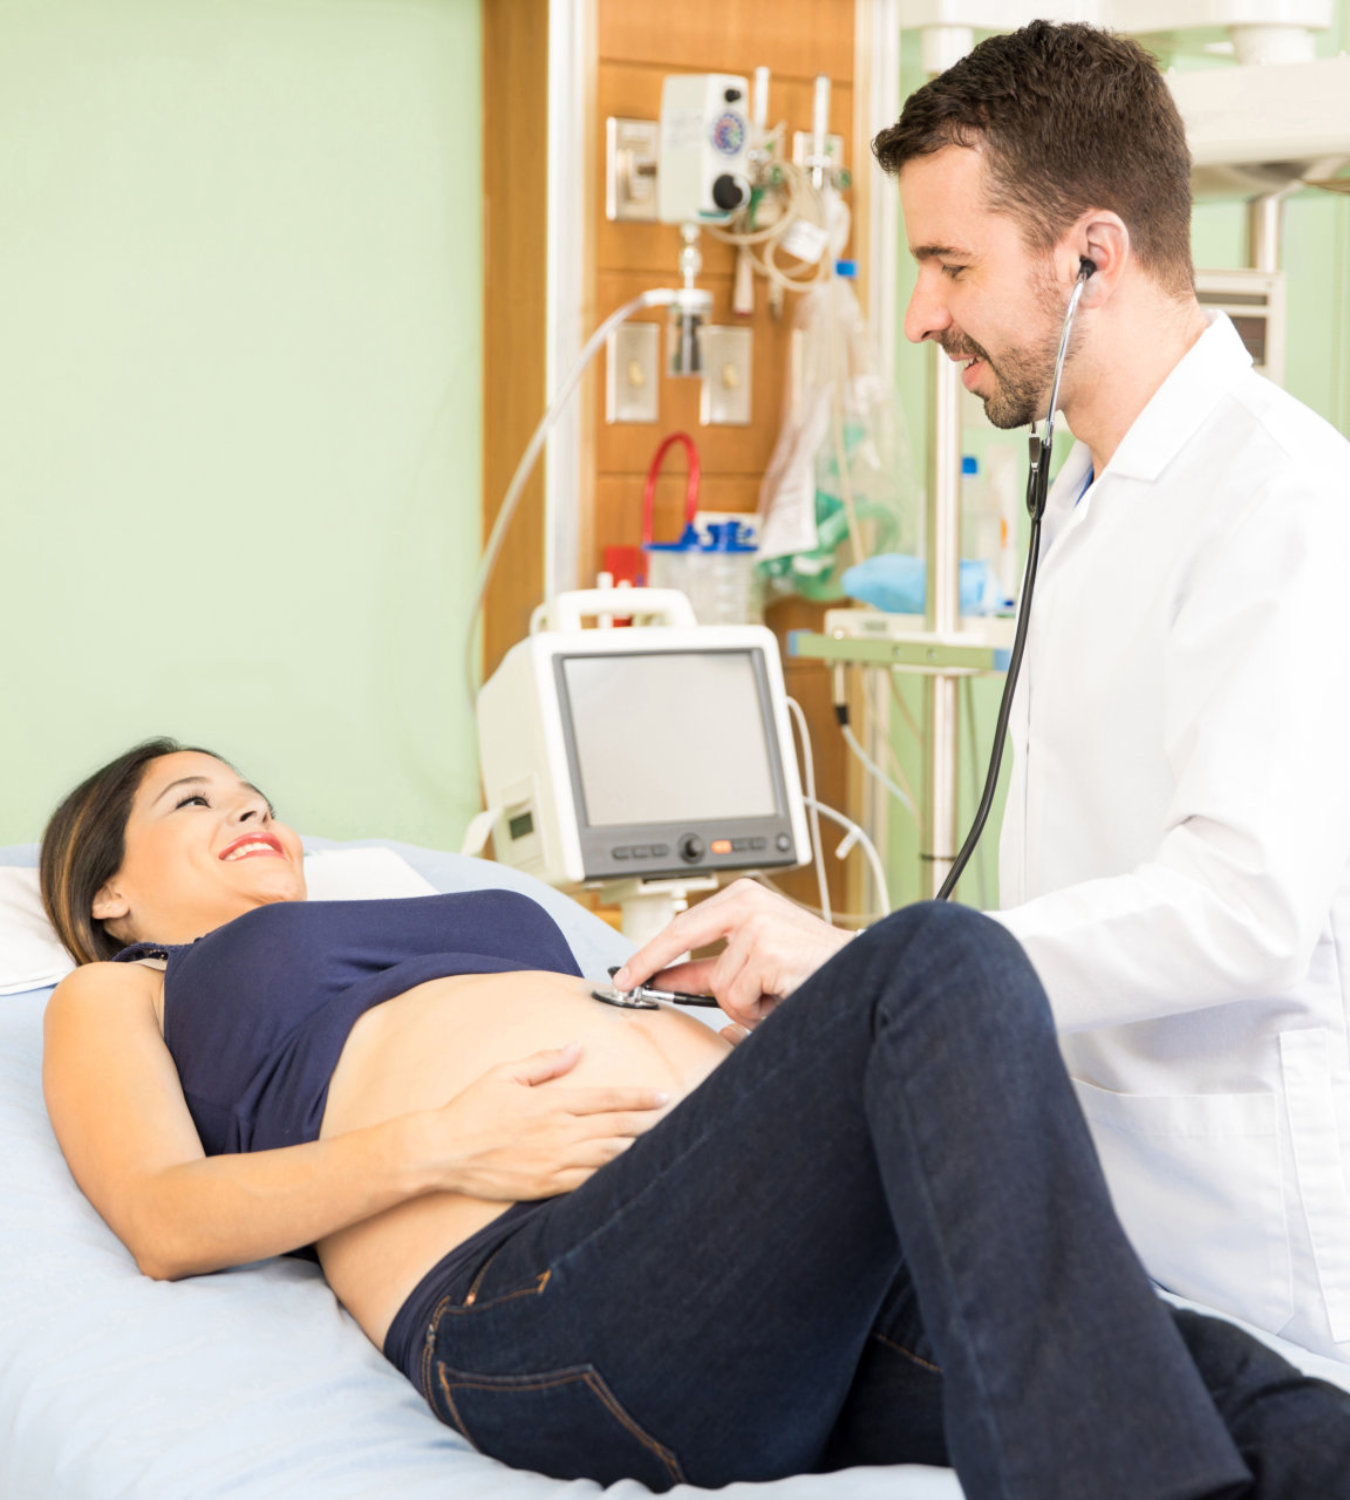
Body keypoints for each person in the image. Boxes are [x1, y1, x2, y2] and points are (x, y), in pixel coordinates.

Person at [36, 737, 1350, 1499]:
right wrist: (442, 1147)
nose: (245, 811)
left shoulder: (472, 911)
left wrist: (785, 1060)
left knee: (1252, 1401)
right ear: (108, 898)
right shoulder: (121, 991)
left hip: (778, 1297)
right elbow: (160, 1219)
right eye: (191, 804)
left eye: (253, 794)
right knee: (933, 952)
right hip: (542, 1310)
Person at [618, 19, 1350, 1365]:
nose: (918, 314)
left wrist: (876, 969)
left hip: (1256, 1252)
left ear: (1089, 255)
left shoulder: (1284, 505)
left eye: (948, 264)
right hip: (1113, 1221)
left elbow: (1241, 910)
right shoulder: (1090, 491)